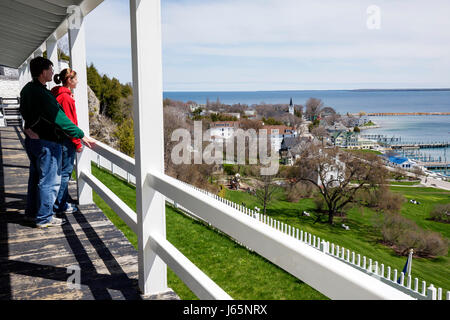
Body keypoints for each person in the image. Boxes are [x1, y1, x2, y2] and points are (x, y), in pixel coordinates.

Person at [19, 57, 95, 228]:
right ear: (43, 71)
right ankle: (44, 217)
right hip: (47, 142)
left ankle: (32, 214)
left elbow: (24, 110)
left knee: (36, 178)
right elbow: (61, 119)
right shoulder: (43, 94)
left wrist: (27, 127)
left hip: (33, 140)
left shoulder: (27, 89)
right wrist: (81, 135)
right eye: (51, 69)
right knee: (49, 181)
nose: (53, 73)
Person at [51, 68, 81, 216]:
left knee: (60, 172)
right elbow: (69, 124)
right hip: (66, 140)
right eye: (75, 79)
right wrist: (78, 143)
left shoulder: (59, 94)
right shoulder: (66, 98)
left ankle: (57, 203)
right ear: (69, 80)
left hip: (58, 139)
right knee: (65, 173)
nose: (77, 81)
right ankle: (60, 205)